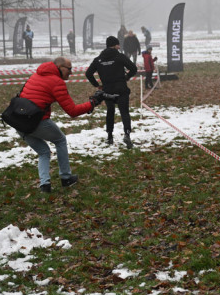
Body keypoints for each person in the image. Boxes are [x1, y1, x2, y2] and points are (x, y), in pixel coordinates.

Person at [18, 57, 103, 192]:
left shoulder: (36, 75)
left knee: (43, 152)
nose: (71, 73)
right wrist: (93, 103)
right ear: (60, 67)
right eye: (69, 69)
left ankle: (45, 185)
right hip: (36, 122)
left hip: (18, 122)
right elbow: (72, 111)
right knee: (60, 140)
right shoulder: (56, 82)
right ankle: (66, 178)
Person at [86, 35, 138, 147]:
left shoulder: (98, 59)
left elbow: (88, 73)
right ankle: (127, 135)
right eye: (118, 45)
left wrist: (97, 85)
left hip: (107, 89)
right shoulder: (120, 57)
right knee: (124, 112)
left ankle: (109, 136)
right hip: (121, 88)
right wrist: (127, 77)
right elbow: (134, 68)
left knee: (110, 112)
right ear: (114, 45)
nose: (119, 47)